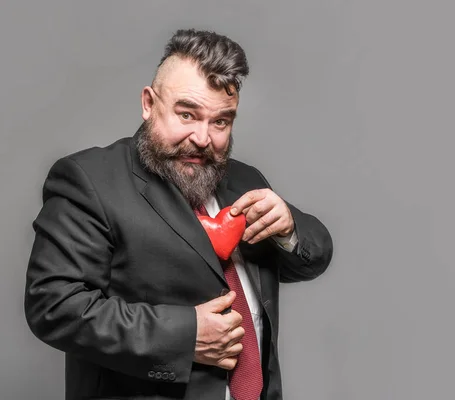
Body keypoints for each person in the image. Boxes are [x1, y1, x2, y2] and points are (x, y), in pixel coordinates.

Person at [24, 29, 333, 400]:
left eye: (221, 122)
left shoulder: (246, 180)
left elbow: (310, 260)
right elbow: (54, 306)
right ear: (148, 104)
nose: (203, 138)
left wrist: (288, 229)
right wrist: (185, 337)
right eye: (187, 114)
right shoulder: (89, 180)